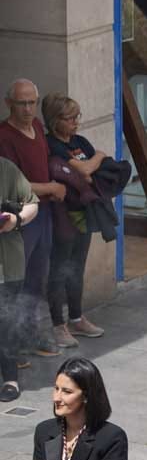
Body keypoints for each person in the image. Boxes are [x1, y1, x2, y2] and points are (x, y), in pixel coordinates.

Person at [0, 78, 65, 356]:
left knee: (38, 277)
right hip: (20, 216)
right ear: (9, 104)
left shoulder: (37, 126)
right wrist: (51, 188)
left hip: (44, 212)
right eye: (21, 103)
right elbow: (16, 184)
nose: (28, 109)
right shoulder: (4, 137)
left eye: (32, 103)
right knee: (17, 280)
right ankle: (11, 347)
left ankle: (31, 335)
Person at [39, 95, 108, 345]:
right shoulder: (51, 145)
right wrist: (96, 158)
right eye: (69, 118)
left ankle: (76, 318)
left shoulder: (79, 142)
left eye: (76, 117)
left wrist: (94, 162)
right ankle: (58, 325)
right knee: (59, 269)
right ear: (55, 120)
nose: (75, 123)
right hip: (62, 215)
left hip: (83, 213)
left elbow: (94, 173)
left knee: (77, 266)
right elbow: (86, 170)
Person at [0, 160, 37, 401]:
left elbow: (32, 203)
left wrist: (17, 220)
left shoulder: (6, 169)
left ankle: (10, 380)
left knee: (6, 322)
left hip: (7, 264)